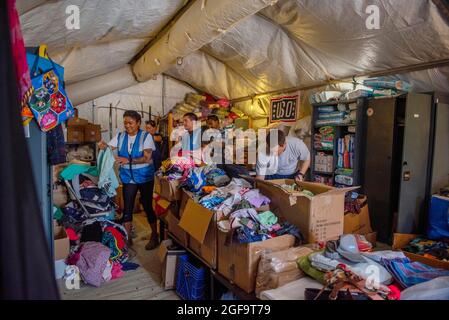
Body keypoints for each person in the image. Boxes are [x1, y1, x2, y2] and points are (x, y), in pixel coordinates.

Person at [98, 111, 159, 251]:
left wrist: (129, 160)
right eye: (125, 122)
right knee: (128, 208)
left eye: (130, 122)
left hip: (144, 177)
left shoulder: (146, 136)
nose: (127, 125)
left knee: (147, 205)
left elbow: (147, 158)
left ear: (138, 123)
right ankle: (128, 240)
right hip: (128, 177)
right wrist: (103, 146)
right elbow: (109, 148)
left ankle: (154, 236)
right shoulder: (120, 136)